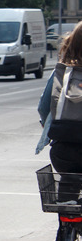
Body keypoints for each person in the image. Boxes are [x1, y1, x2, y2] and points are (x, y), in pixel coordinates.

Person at [44, 22, 82, 201]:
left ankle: (66, 224)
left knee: (68, 180)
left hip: (63, 151)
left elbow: (43, 109)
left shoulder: (62, 73)